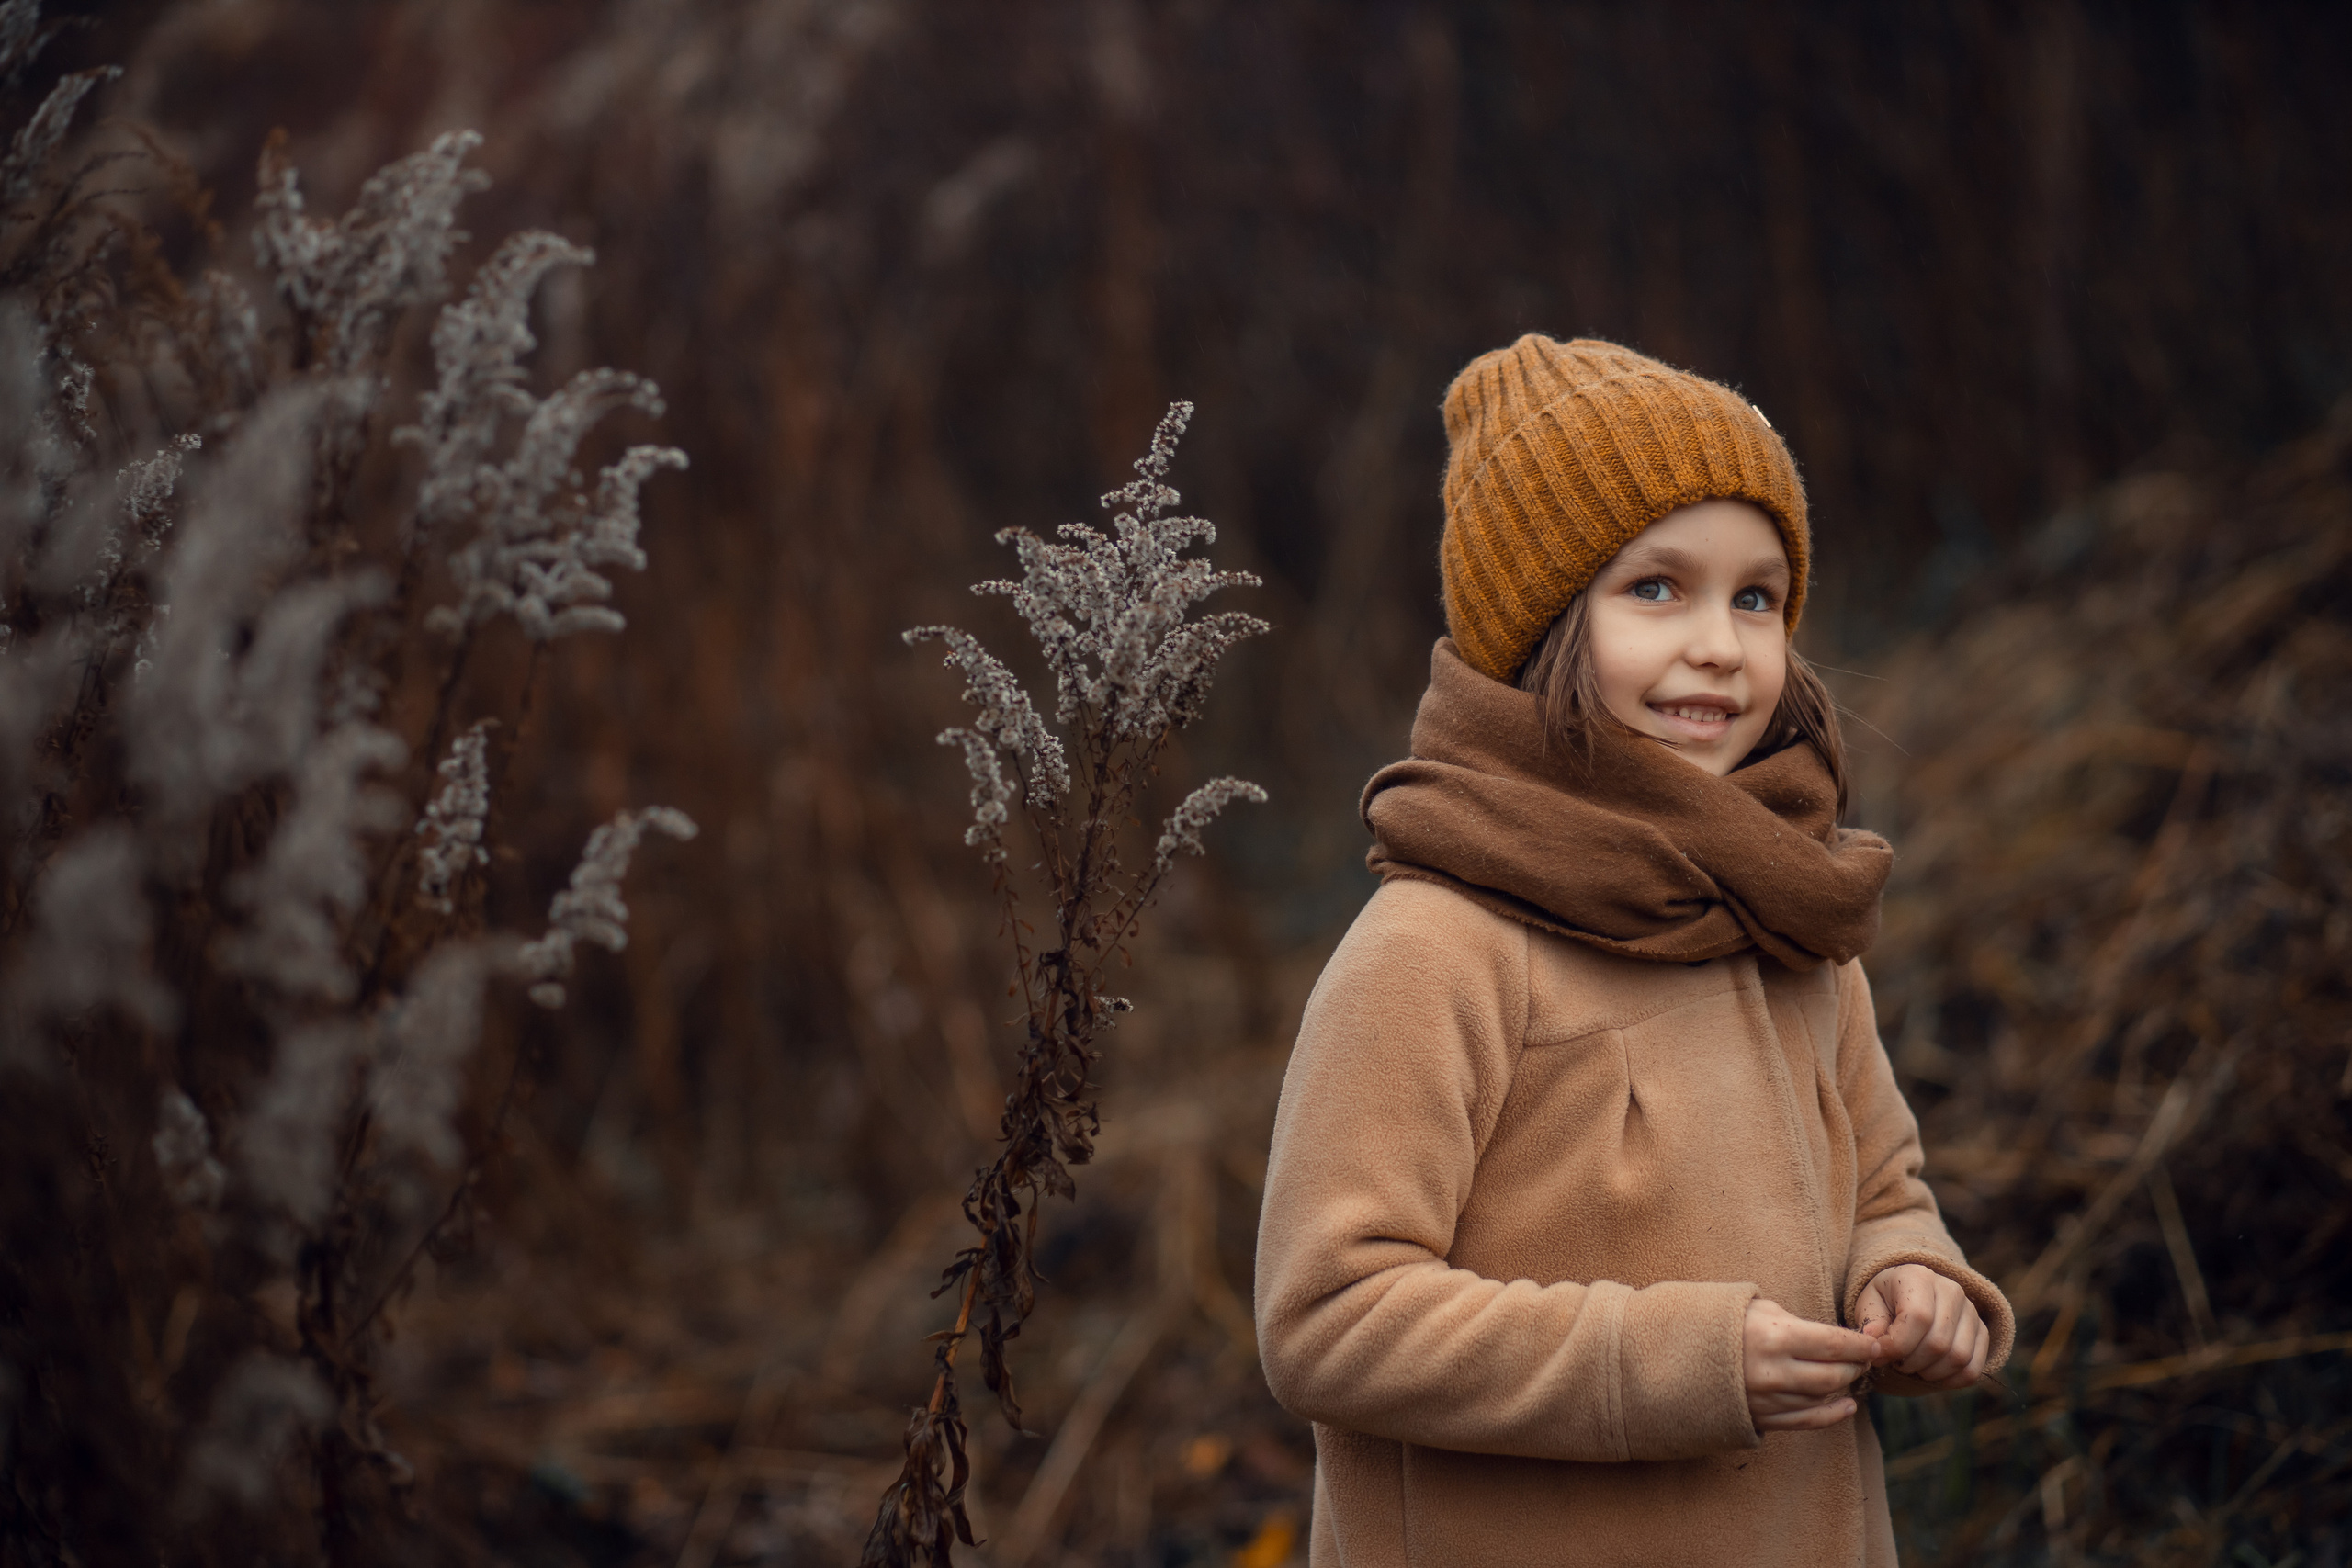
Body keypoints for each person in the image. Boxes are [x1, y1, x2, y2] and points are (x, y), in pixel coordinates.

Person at [1254, 335, 2014, 1566]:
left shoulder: (1792, 925)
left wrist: (1911, 1282)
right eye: (1656, 589)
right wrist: (1675, 1364)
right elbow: (1328, 1318)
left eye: (1755, 596)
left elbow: (1883, 1191)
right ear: (1543, 627)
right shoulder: (1435, 949)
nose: (1719, 641)